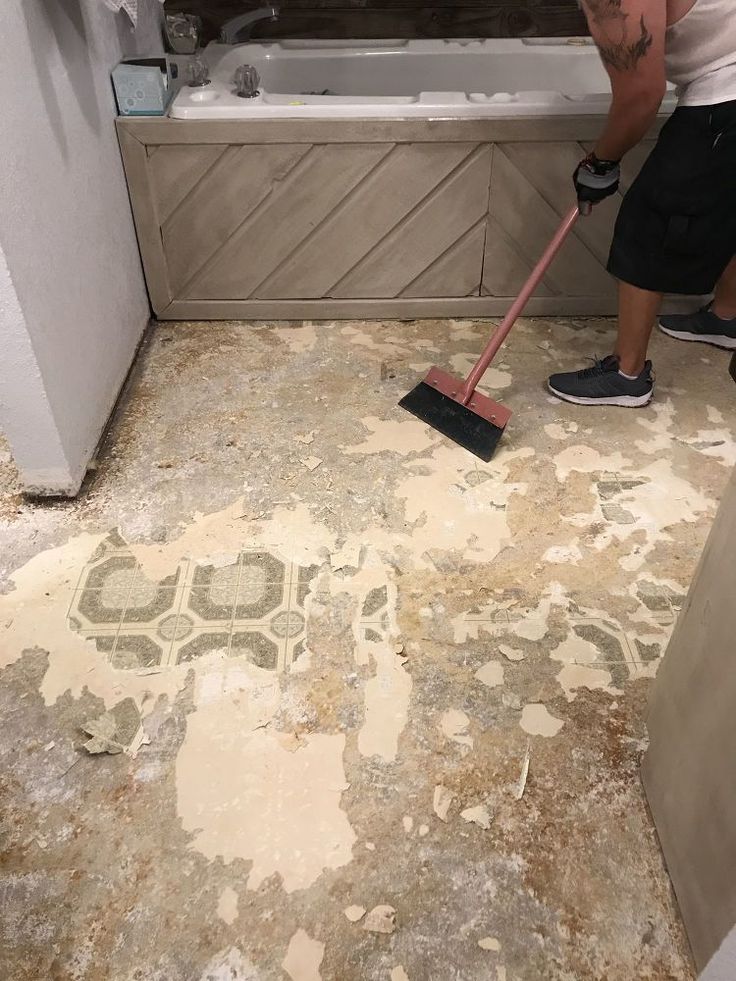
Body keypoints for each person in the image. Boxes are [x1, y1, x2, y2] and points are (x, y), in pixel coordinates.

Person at [548, 0, 736, 407]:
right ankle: (726, 317)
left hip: (727, 96)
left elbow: (641, 94)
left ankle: (626, 374)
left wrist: (601, 162)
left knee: (649, 224)